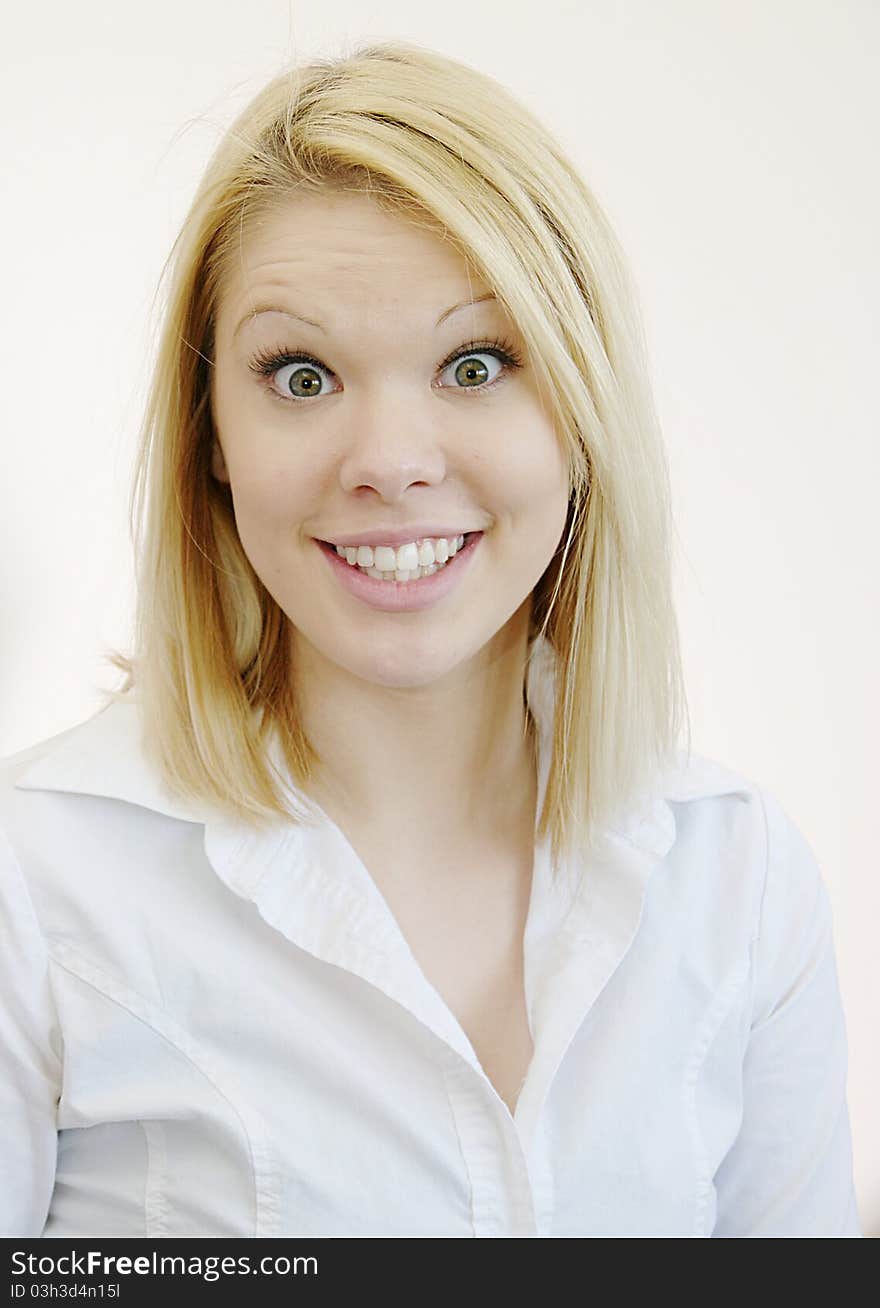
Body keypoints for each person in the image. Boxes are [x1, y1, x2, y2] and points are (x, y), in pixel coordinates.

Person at [0, 40, 861, 1238]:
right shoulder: (36, 881)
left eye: (475, 363)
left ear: (581, 413)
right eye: (301, 375)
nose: (390, 461)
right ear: (211, 439)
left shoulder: (739, 883)